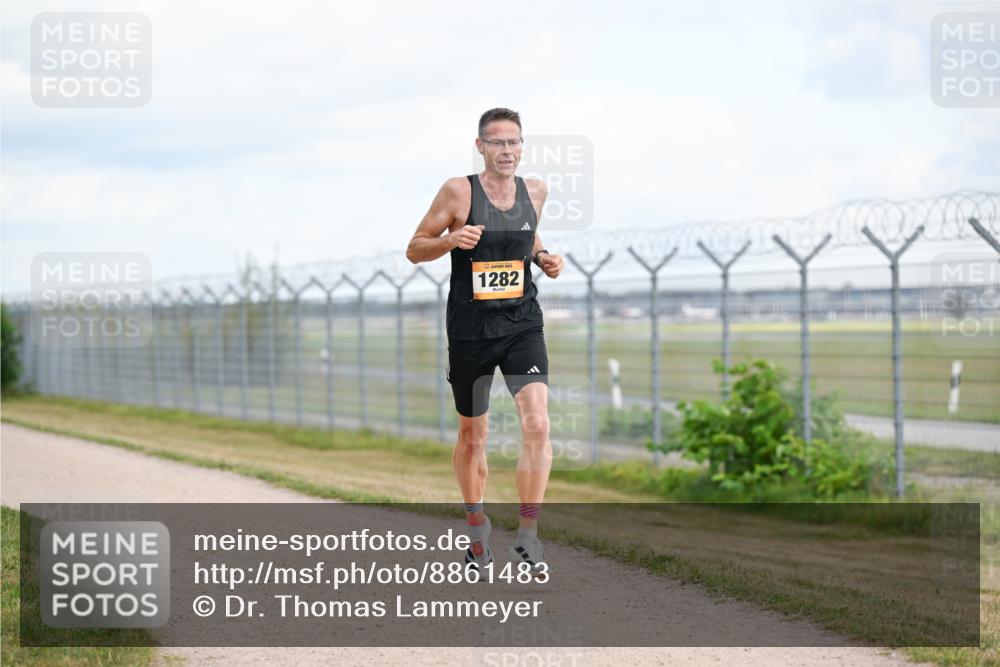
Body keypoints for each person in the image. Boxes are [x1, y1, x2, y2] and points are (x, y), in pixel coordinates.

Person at [406, 108, 564, 580]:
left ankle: (528, 535)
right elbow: (415, 247)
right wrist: (452, 239)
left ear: (522, 146)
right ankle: (477, 527)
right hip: (470, 329)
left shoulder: (536, 190)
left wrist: (542, 256)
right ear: (480, 147)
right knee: (473, 437)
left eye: (514, 142)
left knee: (538, 424)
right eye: (497, 143)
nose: (507, 151)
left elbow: (525, 235)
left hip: (522, 324)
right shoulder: (459, 191)